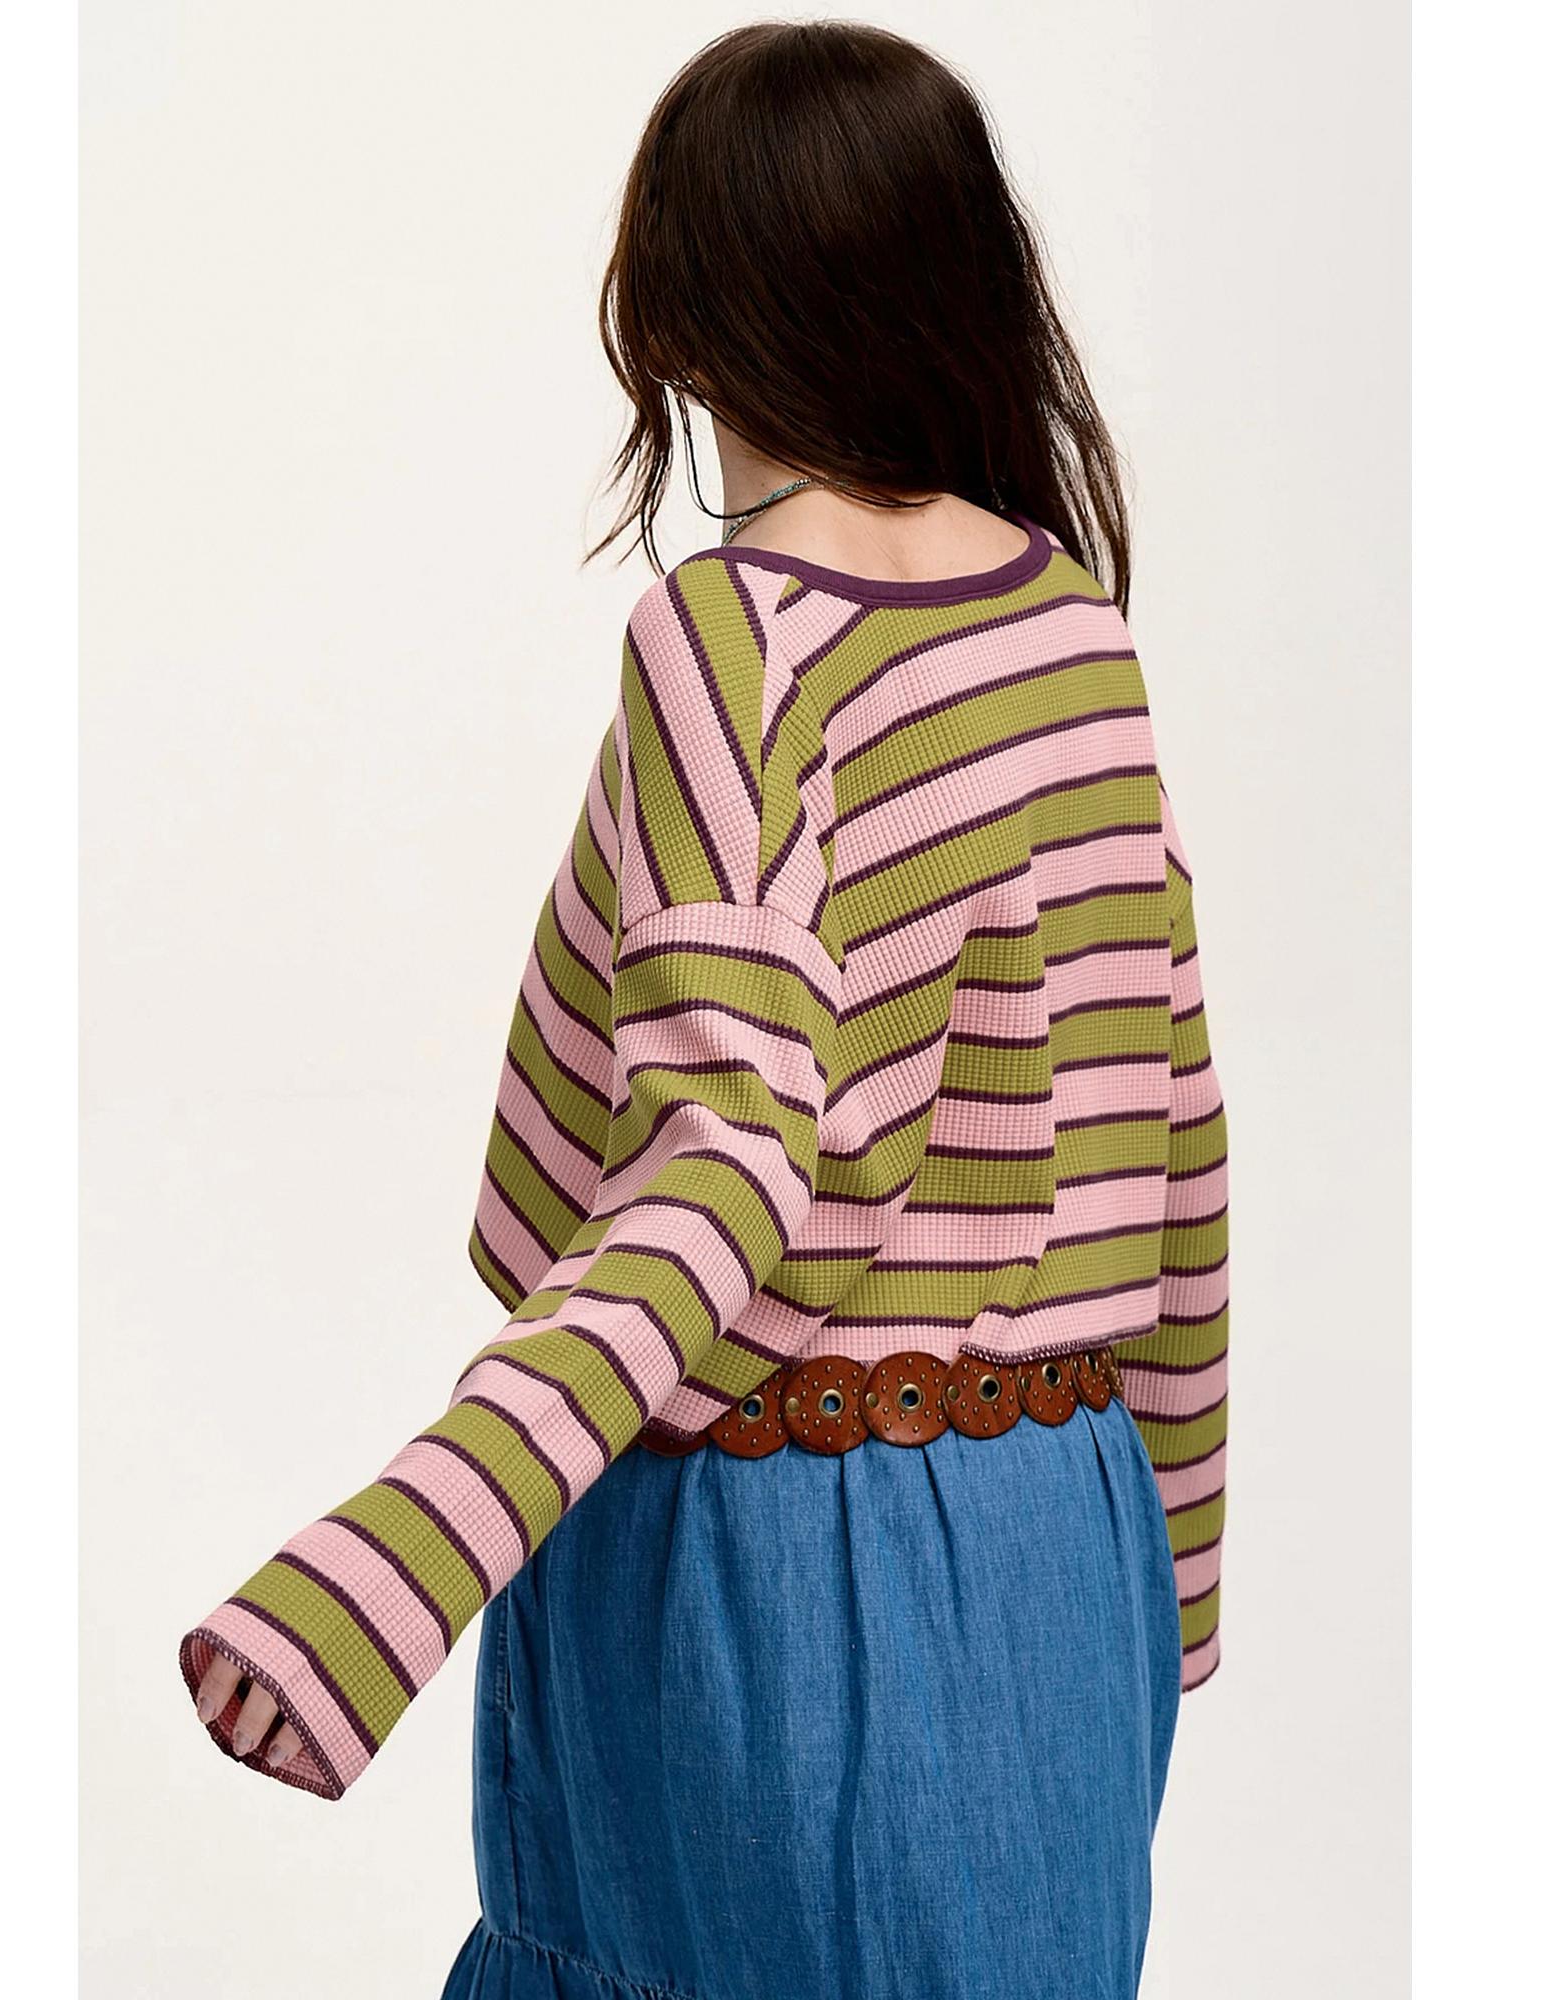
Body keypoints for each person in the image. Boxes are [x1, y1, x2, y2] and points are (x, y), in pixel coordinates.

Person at [182, 20, 1229, 2000]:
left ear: (669, 309)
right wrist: (1165, 1563)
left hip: (777, 1557)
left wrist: (395, 1563)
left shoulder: (737, 637)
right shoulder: (1071, 632)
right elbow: (1174, 1136)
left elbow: (721, 1168)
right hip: (1062, 1545)